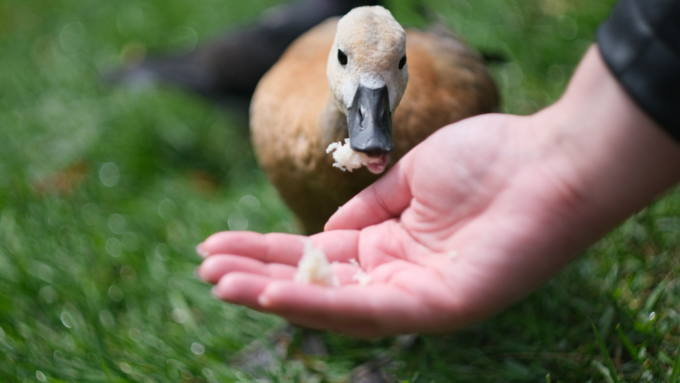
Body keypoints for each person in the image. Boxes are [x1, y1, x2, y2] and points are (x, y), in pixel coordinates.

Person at [196, 0, 680, 338]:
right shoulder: (274, 98)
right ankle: (302, 320)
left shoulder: (450, 106)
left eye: (392, 72)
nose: (371, 123)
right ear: (331, 57)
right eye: (345, 62)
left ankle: (413, 336)